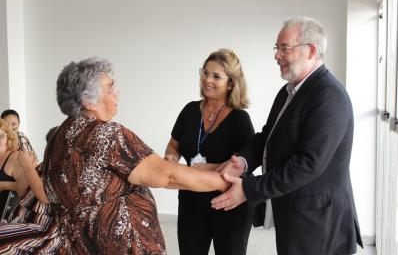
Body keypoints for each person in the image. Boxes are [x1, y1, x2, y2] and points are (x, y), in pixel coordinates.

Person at [42, 57, 230, 255]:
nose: (117, 92)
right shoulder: (106, 134)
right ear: (88, 102)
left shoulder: (58, 137)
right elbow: (167, 175)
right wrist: (225, 182)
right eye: (110, 87)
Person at [211, 17, 364, 255]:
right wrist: (242, 161)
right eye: (277, 48)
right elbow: (266, 136)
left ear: (311, 51)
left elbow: (308, 164)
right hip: (296, 213)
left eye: (285, 48)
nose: (277, 55)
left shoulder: (329, 96)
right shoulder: (288, 91)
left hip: (319, 222)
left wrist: (250, 189)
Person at [164, 49, 255, 255]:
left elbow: (246, 165)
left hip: (229, 202)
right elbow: (173, 145)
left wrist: (210, 167)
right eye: (205, 73)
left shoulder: (240, 120)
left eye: (216, 76)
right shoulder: (189, 110)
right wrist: (171, 157)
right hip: (191, 198)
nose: (207, 80)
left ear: (231, 83)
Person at [0, 126, 61, 254]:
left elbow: (45, 196)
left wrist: (27, 167)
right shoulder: (44, 166)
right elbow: (24, 190)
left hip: (43, 227)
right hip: (19, 218)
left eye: (1, 136)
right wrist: (28, 168)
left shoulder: (64, 169)